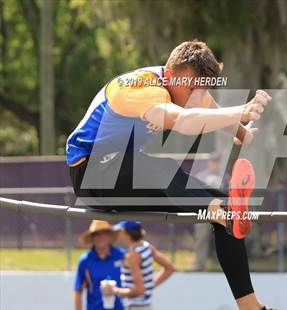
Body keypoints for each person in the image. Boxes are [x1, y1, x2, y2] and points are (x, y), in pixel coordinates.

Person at [66, 40, 272, 310]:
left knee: (227, 209)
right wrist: (242, 110)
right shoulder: (138, 88)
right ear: (172, 75)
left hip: (127, 179)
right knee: (158, 168)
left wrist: (242, 133)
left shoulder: (189, 86)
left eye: (202, 91)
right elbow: (185, 122)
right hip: (92, 174)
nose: (194, 99)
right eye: (191, 90)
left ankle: (251, 306)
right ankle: (216, 209)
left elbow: (212, 111)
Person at [103, 221, 175, 310]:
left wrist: (114, 290)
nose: (119, 235)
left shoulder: (133, 255)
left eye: (121, 232)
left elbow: (139, 290)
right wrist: (149, 286)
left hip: (136, 307)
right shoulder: (146, 246)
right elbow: (170, 268)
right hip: (145, 306)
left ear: (127, 234)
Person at [74, 220, 125, 310]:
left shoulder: (122, 256)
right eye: (97, 234)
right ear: (92, 238)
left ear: (110, 236)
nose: (101, 237)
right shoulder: (85, 261)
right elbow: (78, 290)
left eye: (104, 233)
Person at [194, 153, 228, 271]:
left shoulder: (225, 177)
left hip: (220, 212)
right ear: (209, 163)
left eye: (216, 162)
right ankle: (200, 265)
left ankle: (223, 266)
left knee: (223, 239)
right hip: (204, 211)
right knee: (201, 238)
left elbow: (229, 194)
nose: (214, 164)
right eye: (212, 162)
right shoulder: (201, 176)